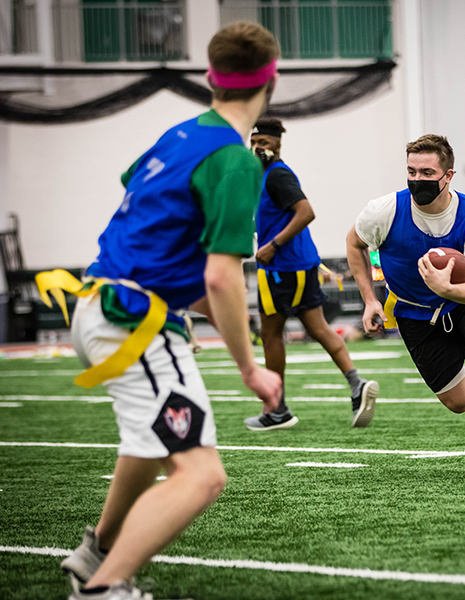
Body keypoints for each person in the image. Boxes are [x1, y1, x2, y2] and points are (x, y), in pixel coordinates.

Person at [55, 21, 283, 600]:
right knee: (203, 476)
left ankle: (97, 551)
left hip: (97, 303)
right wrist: (252, 368)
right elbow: (221, 276)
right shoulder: (236, 162)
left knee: (149, 442)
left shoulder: (178, 135)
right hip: (136, 321)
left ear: (211, 78)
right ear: (270, 81)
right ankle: (104, 589)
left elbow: (159, 228)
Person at [345, 134, 465, 475]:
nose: (417, 180)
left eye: (427, 173)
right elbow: (354, 243)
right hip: (414, 309)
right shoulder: (384, 211)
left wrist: (444, 286)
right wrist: (368, 301)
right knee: (458, 402)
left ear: (448, 175)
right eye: (412, 172)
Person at [244, 117, 379, 431]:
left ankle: (276, 409)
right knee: (318, 328)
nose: (258, 147)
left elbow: (306, 212)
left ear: (278, 144)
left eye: (264, 143)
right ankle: (356, 384)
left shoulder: (276, 175)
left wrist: (274, 245)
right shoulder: (265, 176)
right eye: (255, 142)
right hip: (299, 265)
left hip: (282, 268)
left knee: (271, 334)